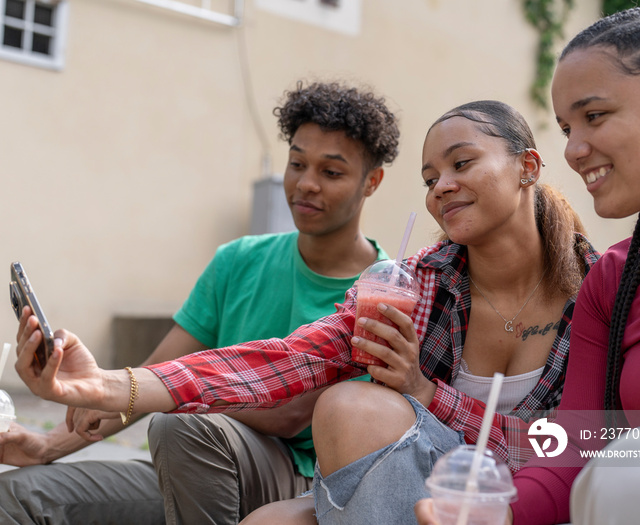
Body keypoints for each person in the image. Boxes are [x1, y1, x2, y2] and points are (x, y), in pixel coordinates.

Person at [14, 100, 599, 525]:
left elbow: (581, 447)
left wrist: (426, 391)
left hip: (524, 495)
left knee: (351, 408)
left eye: (461, 164)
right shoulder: (420, 282)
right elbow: (291, 358)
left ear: (527, 166)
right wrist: (105, 386)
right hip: (396, 486)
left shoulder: (599, 293)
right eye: (430, 177)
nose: (442, 187)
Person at [0, 80, 398, 525]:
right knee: (17, 496)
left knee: (179, 426)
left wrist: (159, 395)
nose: (305, 184)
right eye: (296, 163)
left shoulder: (382, 296)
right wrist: (47, 446)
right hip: (189, 459)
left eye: (331, 172)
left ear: (372, 182)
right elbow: (156, 374)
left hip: (297, 483)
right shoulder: (239, 261)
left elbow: (287, 414)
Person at [417, 6, 640, 525]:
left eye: (594, 116)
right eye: (567, 127)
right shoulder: (613, 281)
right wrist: (493, 516)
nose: (573, 150)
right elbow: (573, 451)